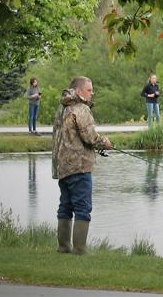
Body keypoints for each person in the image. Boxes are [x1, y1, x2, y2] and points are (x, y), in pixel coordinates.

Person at [52, 76, 112, 255]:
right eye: (89, 90)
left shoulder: (62, 108)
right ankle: (79, 250)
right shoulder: (81, 108)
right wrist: (105, 142)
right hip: (79, 166)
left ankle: (63, 247)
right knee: (83, 208)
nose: (92, 93)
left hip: (62, 166)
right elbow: (90, 137)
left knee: (65, 205)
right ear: (78, 91)